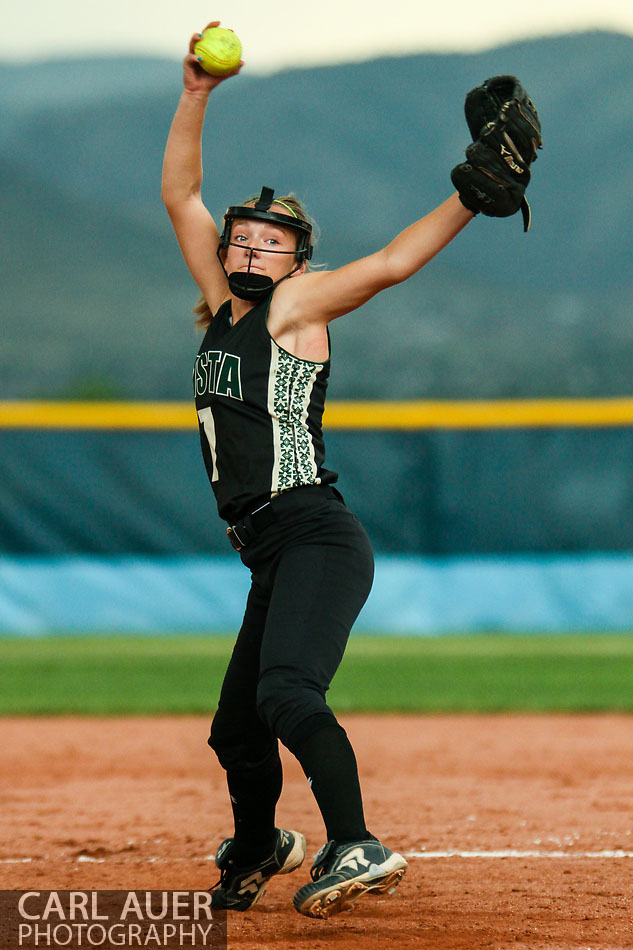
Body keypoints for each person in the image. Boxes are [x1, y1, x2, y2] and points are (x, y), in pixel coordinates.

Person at [161, 21, 474, 920]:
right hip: (268, 545)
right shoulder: (223, 310)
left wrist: (466, 197)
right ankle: (261, 843)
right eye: (245, 235)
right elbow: (181, 194)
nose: (254, 247)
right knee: (234, 730)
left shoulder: (295, 305)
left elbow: (392, 263)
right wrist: (195, 93)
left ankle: (354, 842)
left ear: (299, 260)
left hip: (312, 532)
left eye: (274, 241)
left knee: (287, 692)